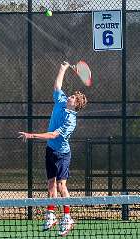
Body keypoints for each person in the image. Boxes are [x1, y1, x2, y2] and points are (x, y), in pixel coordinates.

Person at [18, 61, 87, 236]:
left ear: (76, 105)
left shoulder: (71, 120)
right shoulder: (61, 100)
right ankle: (50, 214)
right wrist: (62, 68)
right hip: (50, 150)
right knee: (50, 184)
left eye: (73, 97)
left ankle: (67, 217)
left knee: (61, 185)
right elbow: (57, 85)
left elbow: (53, 135)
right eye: (70, 95)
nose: (70, 96)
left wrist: (31, 135)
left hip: (62, 154)